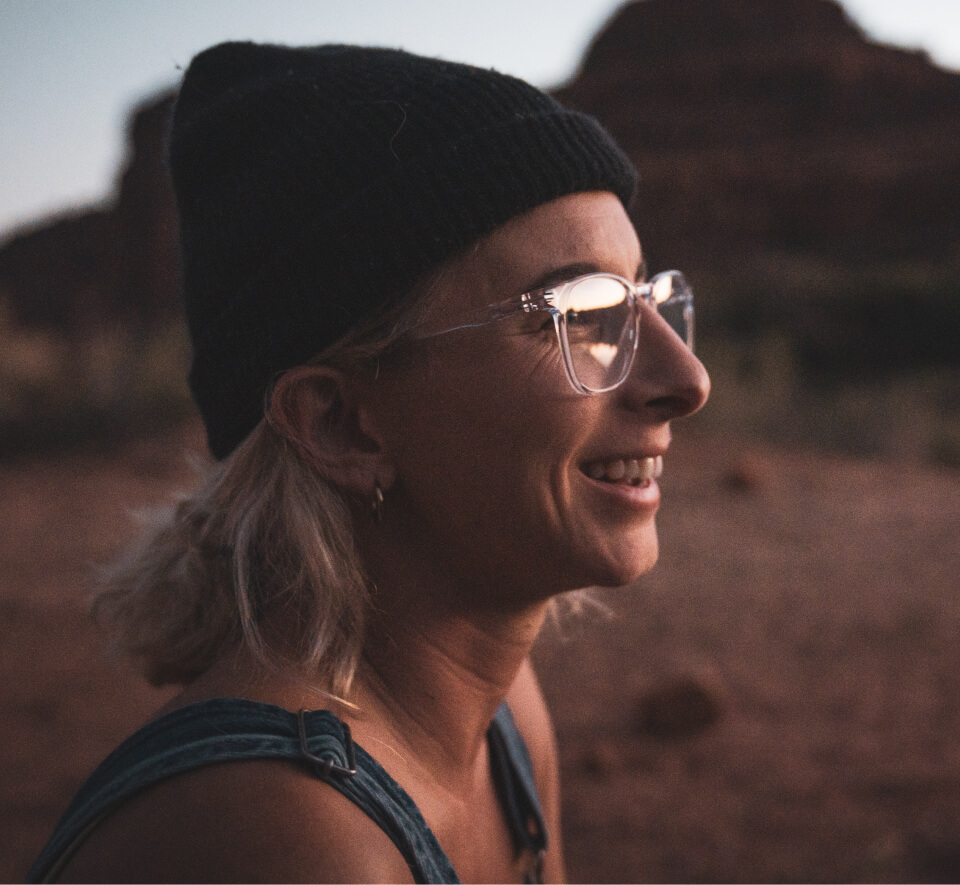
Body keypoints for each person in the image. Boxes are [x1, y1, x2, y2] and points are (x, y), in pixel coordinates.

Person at [28, 41, 709, 884]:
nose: (687, 379)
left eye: (649, 299)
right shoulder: (285, 840)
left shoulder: (502, 721)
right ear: (343, 423)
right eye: (583, 315)